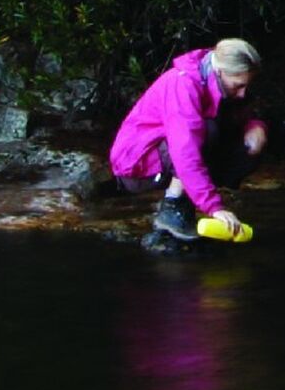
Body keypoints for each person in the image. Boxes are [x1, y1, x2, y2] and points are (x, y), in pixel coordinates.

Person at [110, 37, 268, 242]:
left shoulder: (221, 82)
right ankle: (173, 205)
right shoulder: (182, 84)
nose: (242, 93)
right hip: (137, 166)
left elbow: (242, 115)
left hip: (173, 153)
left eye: (246, 86)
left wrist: (256, 127)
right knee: (207, 130)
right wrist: (215, 207)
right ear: (220, 72)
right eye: (238, 86)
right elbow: (185, 150)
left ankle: (187, 199)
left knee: (243, 144)